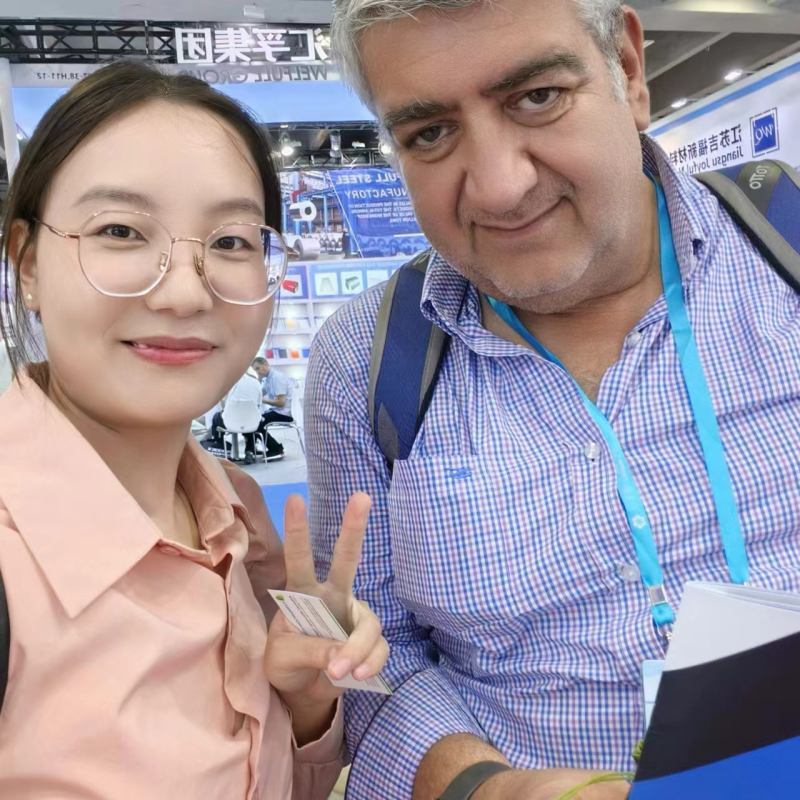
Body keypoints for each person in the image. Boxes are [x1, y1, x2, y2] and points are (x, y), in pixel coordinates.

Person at [306, 2, 800, 799]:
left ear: (628, 70)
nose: (501, 187)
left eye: (537, 97)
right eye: (430, 134)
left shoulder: (784, 257)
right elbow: (372, 652)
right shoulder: (365, 363)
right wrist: (484, 787)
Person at [0, 61, 388, 798]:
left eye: (233, 241)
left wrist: (308, 699)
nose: (184, 292)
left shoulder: (239, 519)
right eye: (119, 230)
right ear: (27, 264)